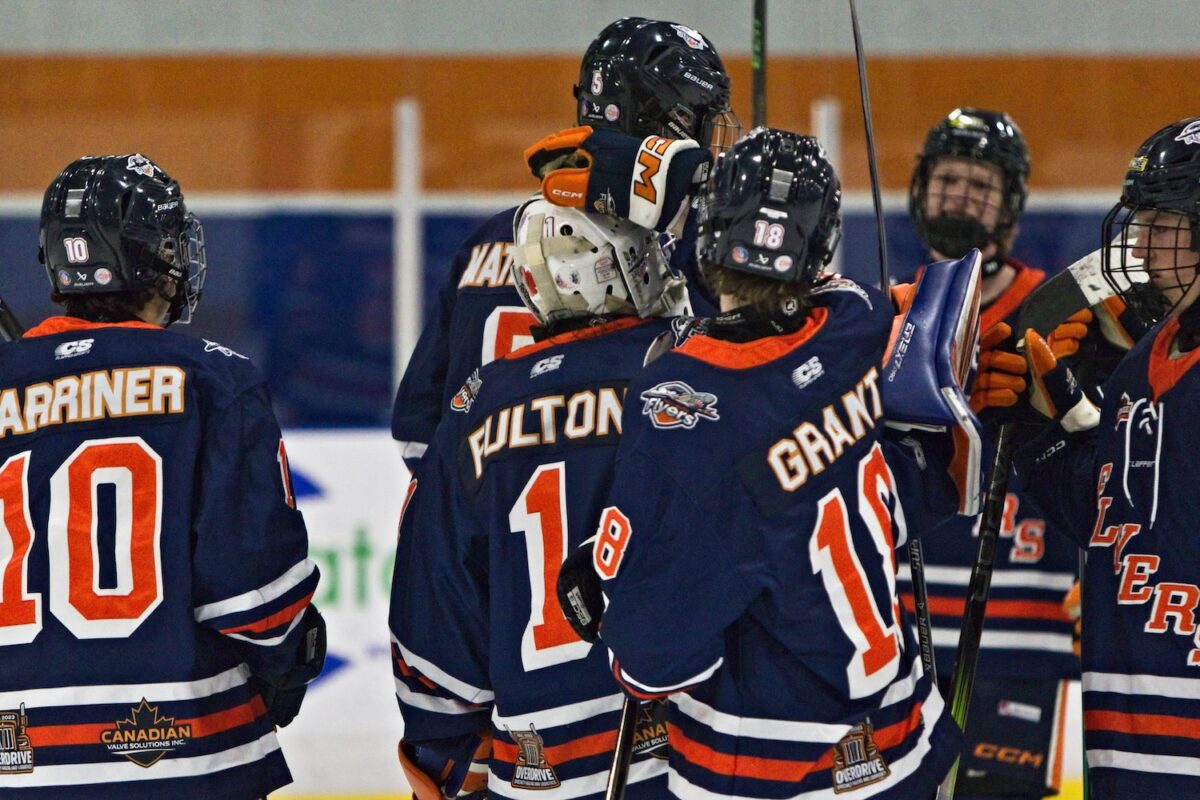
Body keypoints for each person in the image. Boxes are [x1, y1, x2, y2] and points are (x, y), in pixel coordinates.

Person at [595, 128, 974, 799]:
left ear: (712, 229)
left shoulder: (679, 407)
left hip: (773, 766)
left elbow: (653, 663)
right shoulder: (856, 321)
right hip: (901, 740)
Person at [0, 154, 325, 799]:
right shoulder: (213, 377)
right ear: (157, 258)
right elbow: (256, 594)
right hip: (186, 754)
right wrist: (287, 659)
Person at [389, 199, 690, 799]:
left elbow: (432, 625)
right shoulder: (680, 376)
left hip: (533, 768)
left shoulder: (475, 407)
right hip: (679, 755)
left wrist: (445, 754)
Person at [390, 16, 737, 467]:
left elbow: (417, 432)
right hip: (618, 500)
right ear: (663, 122)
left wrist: (474, 499)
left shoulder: (486, 243)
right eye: (697, 118)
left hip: (494, 499)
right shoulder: (668, 250)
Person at [1015, 116, 1200, 799]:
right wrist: (1039, 430)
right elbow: (1112, 521)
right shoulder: (1140, 365)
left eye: (1162, 222)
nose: (1140, 245)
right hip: (1127, 723)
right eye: (1139, 221)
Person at [902, 108, 1082, 798]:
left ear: (1011, 205)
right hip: (906, 625)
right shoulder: (893, 313)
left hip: (1025, 625)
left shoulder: (1061, 316)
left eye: (981, 185)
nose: (961, 197)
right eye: (949, 180)